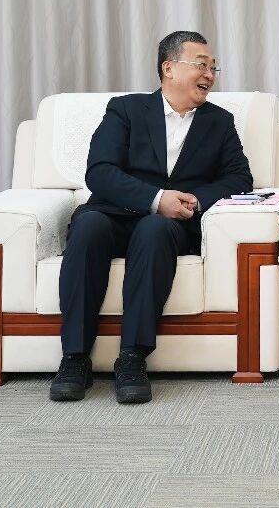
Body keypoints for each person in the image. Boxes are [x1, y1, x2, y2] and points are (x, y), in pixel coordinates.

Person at [50, 31, 252, 403]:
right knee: (88, 226)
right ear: (169, 68)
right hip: (113, 214)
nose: (210, 74)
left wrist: (195, 199)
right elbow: (100, 172)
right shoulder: (126, 110)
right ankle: (74, 357)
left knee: (154, 229)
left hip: (170, 226)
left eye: (213, 68)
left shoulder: (220, 122)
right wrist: (156, 198)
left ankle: (132, 358)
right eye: (201, 65)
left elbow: (240, 178)